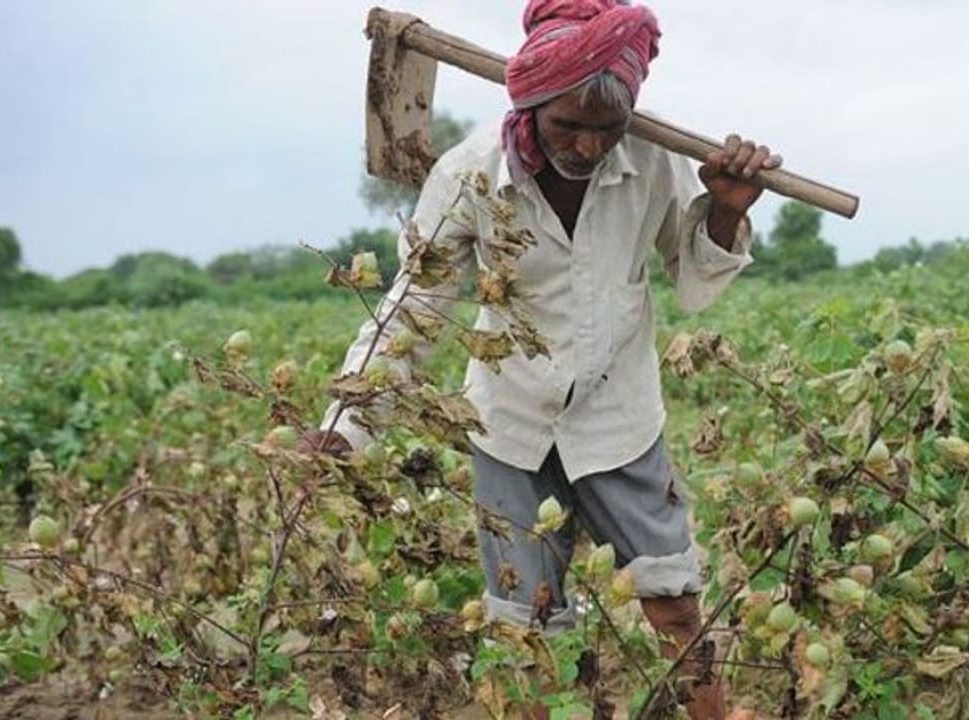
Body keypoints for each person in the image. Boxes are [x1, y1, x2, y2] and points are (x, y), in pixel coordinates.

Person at [306, 1, 779, 717]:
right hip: (512, 423)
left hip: (619, 421)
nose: (588, 148)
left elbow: (694, 282)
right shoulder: (470, 176)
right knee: (526, 630)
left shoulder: (652, 163)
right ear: (527, 106)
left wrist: (726, 209)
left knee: (677, 607)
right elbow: (413, 308)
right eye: (569, 126)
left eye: (606, 129)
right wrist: (347, 423)